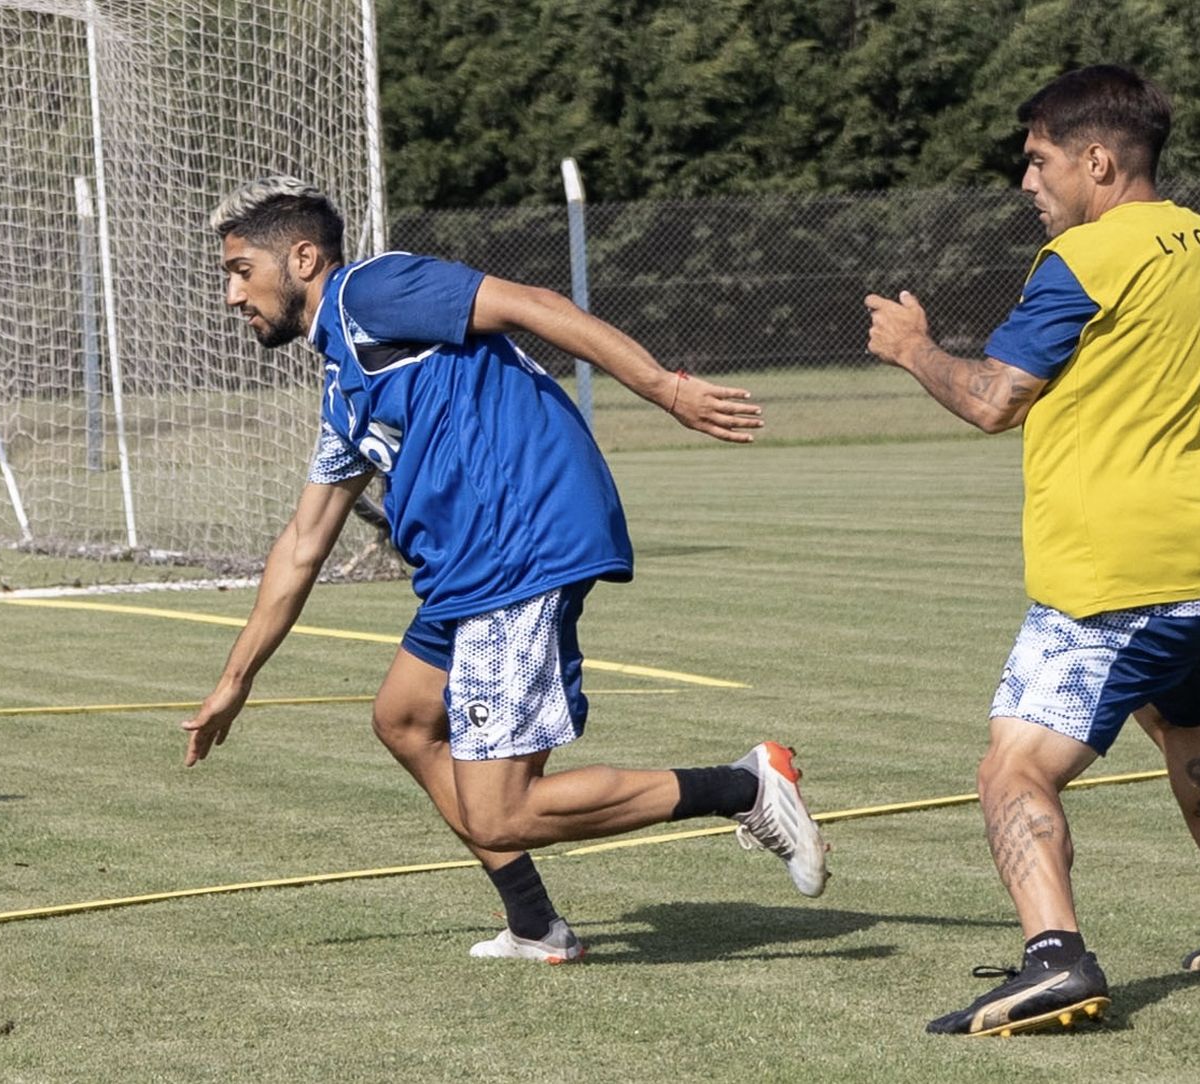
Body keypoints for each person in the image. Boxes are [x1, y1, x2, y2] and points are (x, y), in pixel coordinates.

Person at [183, 175, 829, 963]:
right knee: (404, 719)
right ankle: (535, 925)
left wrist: (664, 388)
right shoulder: (344, 387)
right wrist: (236, 679)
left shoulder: (372, 291)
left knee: (501, 813)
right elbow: (302, 543)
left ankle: (750, 786)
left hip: (518, 546)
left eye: (241, 269)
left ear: (304, 258)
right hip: (468, 570)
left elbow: (530, 302)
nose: (229, 293)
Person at [865, 65, 1200, 1035]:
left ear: (1098, 160)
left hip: (1113, 572)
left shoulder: (1088, 260)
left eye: (1038, 159)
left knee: (1013, 769)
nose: (1027, 182)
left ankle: (1054, 959)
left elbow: (992, 398)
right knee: (1189, 739)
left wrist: (913, 348)